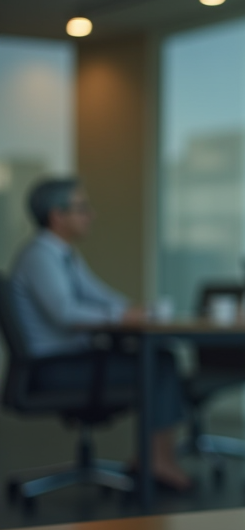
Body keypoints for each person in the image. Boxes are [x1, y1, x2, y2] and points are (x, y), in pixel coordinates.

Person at [9, 177, 192, 491]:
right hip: (54, 369)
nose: (90, 215)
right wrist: (122, 315)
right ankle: (157, 460)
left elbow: (101, 296)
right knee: (160, 365)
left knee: (161, 359)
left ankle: (152, 458)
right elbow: (65, 314)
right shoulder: (40, 256)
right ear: (57, 215)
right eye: (82, 208)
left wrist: (138, 310)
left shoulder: (65, 256)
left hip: (74, 362)